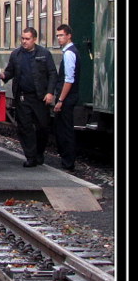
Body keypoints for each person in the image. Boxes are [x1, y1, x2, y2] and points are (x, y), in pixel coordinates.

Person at [0, 27, 58, 167]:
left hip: (40, 97)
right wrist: (3, 76)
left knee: (42, 127)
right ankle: (30, 157)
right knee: (25, 127)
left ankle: (39, 153)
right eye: (22, 39)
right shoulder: (16, 55)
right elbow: (10, 71)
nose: (24, 42)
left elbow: (52, 74)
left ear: (34, 39)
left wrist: (50, 92)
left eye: (27, 39)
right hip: (22, 97)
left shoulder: (44, 54)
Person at [54, 24, 80, 172]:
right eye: (58, 36)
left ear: (69, 35)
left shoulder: (69, 53)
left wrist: (61, 100)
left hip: (67, 98)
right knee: (63, 128)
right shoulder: (70, 51)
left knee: (65, 130)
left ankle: (68, 162)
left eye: (61, 35)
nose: (59, 38)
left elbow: (69, 79)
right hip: (69, 97)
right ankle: (66, 161)